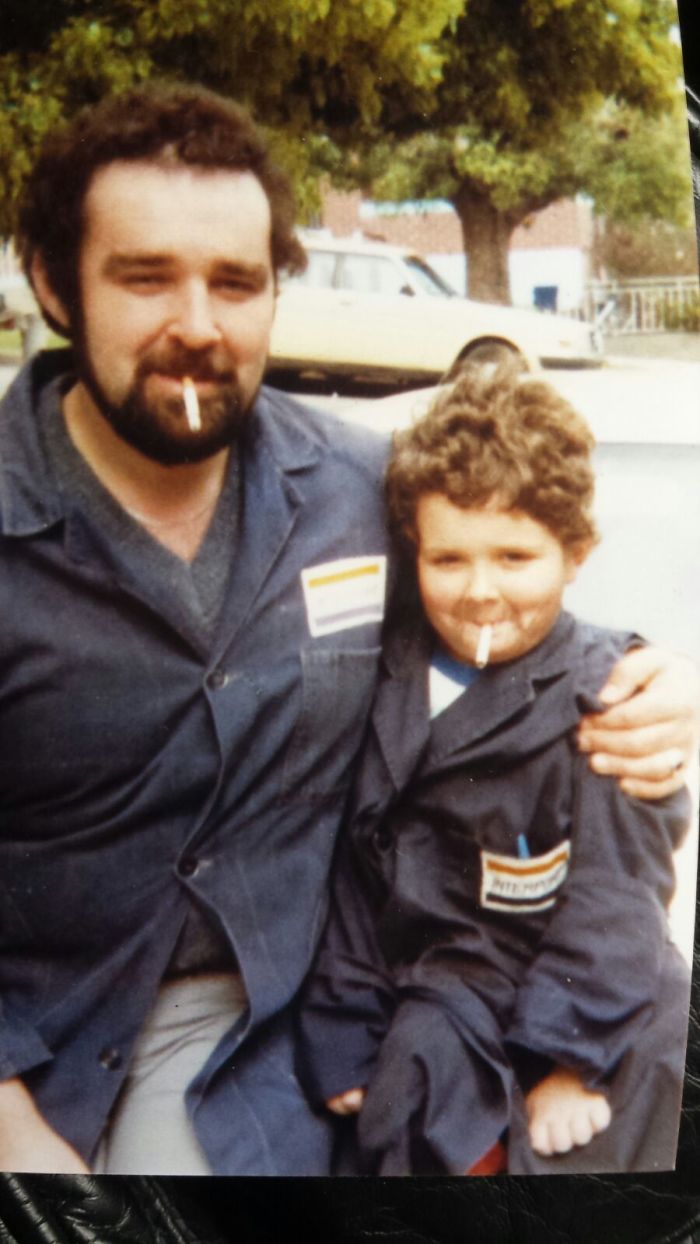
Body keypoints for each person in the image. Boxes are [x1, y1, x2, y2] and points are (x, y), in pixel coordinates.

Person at [0, 81, 695, 1177]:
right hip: (73, 1034)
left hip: (333, 993)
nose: (197, 323)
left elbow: (516, 602)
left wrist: (653, 681)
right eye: (144, 277)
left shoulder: (362, 489)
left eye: (236, 282)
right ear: (52, 282)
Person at [298, 366, 692, 1175]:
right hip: (446, 980)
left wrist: (568, 1059)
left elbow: (618, 898)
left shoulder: (609, 692)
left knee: (597, 1147)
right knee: (403, 1110)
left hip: (589, 985)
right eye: (449, 561)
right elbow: (351, 867)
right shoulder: (383, 677)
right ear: (415, 555)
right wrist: (345, 1015)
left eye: (515, 556)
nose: (481, 592)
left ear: (576, 555)